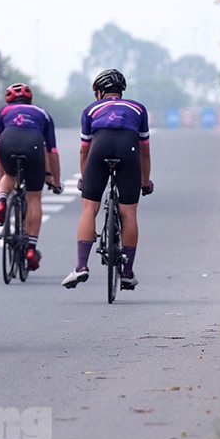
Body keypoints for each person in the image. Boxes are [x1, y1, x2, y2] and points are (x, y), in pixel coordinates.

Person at [62, 69, 154, 290]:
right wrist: (145, 181)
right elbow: (145, 151)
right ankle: (128, 273)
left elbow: (84, 151)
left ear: (100, 92)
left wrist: (86, 180)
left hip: (99, 148)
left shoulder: (90, 109)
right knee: (129, 212)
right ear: (121, 92)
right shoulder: (138, 109)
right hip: (128, 149)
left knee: (89, 208)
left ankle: (81, 267)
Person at [0, 82, 63, 271]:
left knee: (9, 174)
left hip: (8, 142)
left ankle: (1, 201)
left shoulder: (2, 113)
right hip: (33, 145)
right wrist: (55, 181)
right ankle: (31, 249)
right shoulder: (42, 113)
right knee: (34, 198)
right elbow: (52, 152)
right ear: (30, 100)